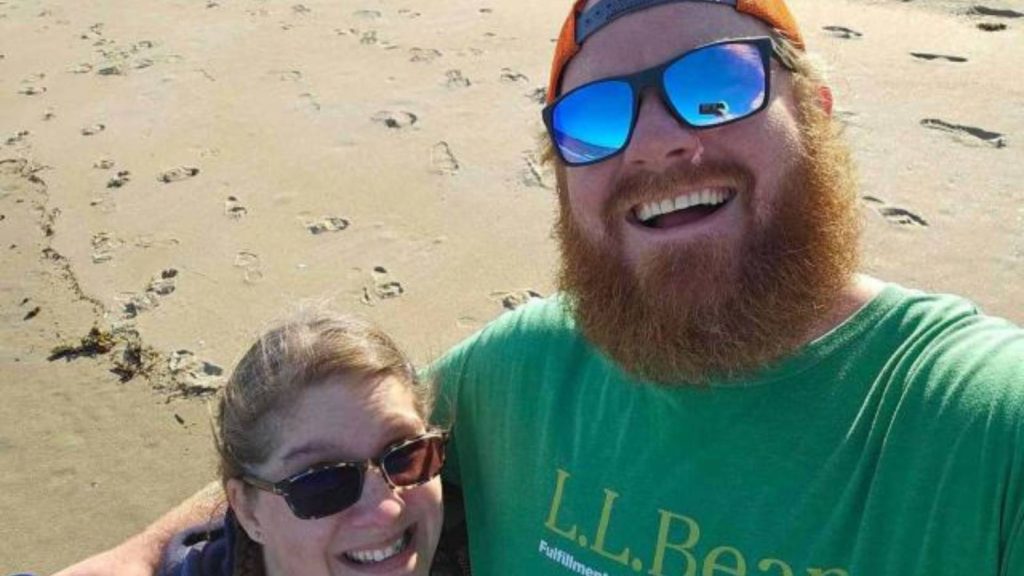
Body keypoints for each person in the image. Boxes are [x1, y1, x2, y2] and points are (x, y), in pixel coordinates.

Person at [55, 0, 1024, 575]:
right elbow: (326, 457)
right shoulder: (524, 369)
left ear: (812, 111)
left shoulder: (972, 419)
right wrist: (136, 557)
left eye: (716, 85)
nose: (653, 141)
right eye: (594, 118)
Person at [159, 309, 452, 575]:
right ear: (248, 510)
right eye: (323, 483)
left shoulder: (484, 537)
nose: (386, 510)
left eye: (406, 456)